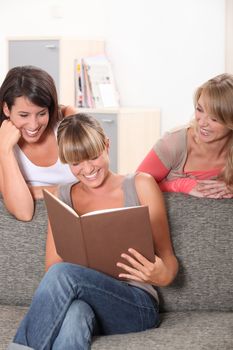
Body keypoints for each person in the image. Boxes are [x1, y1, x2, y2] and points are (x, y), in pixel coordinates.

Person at [8, 113, 178, 350]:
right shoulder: (62, 196)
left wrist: (159, 273)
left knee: (63, 274)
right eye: (76, 162)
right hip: (86, 301)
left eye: (93, 157)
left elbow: (169, 262)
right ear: (66, 161)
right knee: (75, 314)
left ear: (106, 145)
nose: (87, 169)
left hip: (136, 304)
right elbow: (52, 267)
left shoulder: (140, 185)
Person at [137, 73, 233, 199]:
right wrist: (180, 185)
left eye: (214, 119)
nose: (202, 123)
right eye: (200, 109)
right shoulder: (173, 143)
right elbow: (135, 187)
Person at [0, 65, 77, 221]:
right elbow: (24, 213)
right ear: (7, 109)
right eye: (24, 115)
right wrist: (5, 150)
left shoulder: (68, 121)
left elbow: (97, 182)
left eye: (41, 113)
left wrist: (35, 191)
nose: (34, 125)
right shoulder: (3, 144)